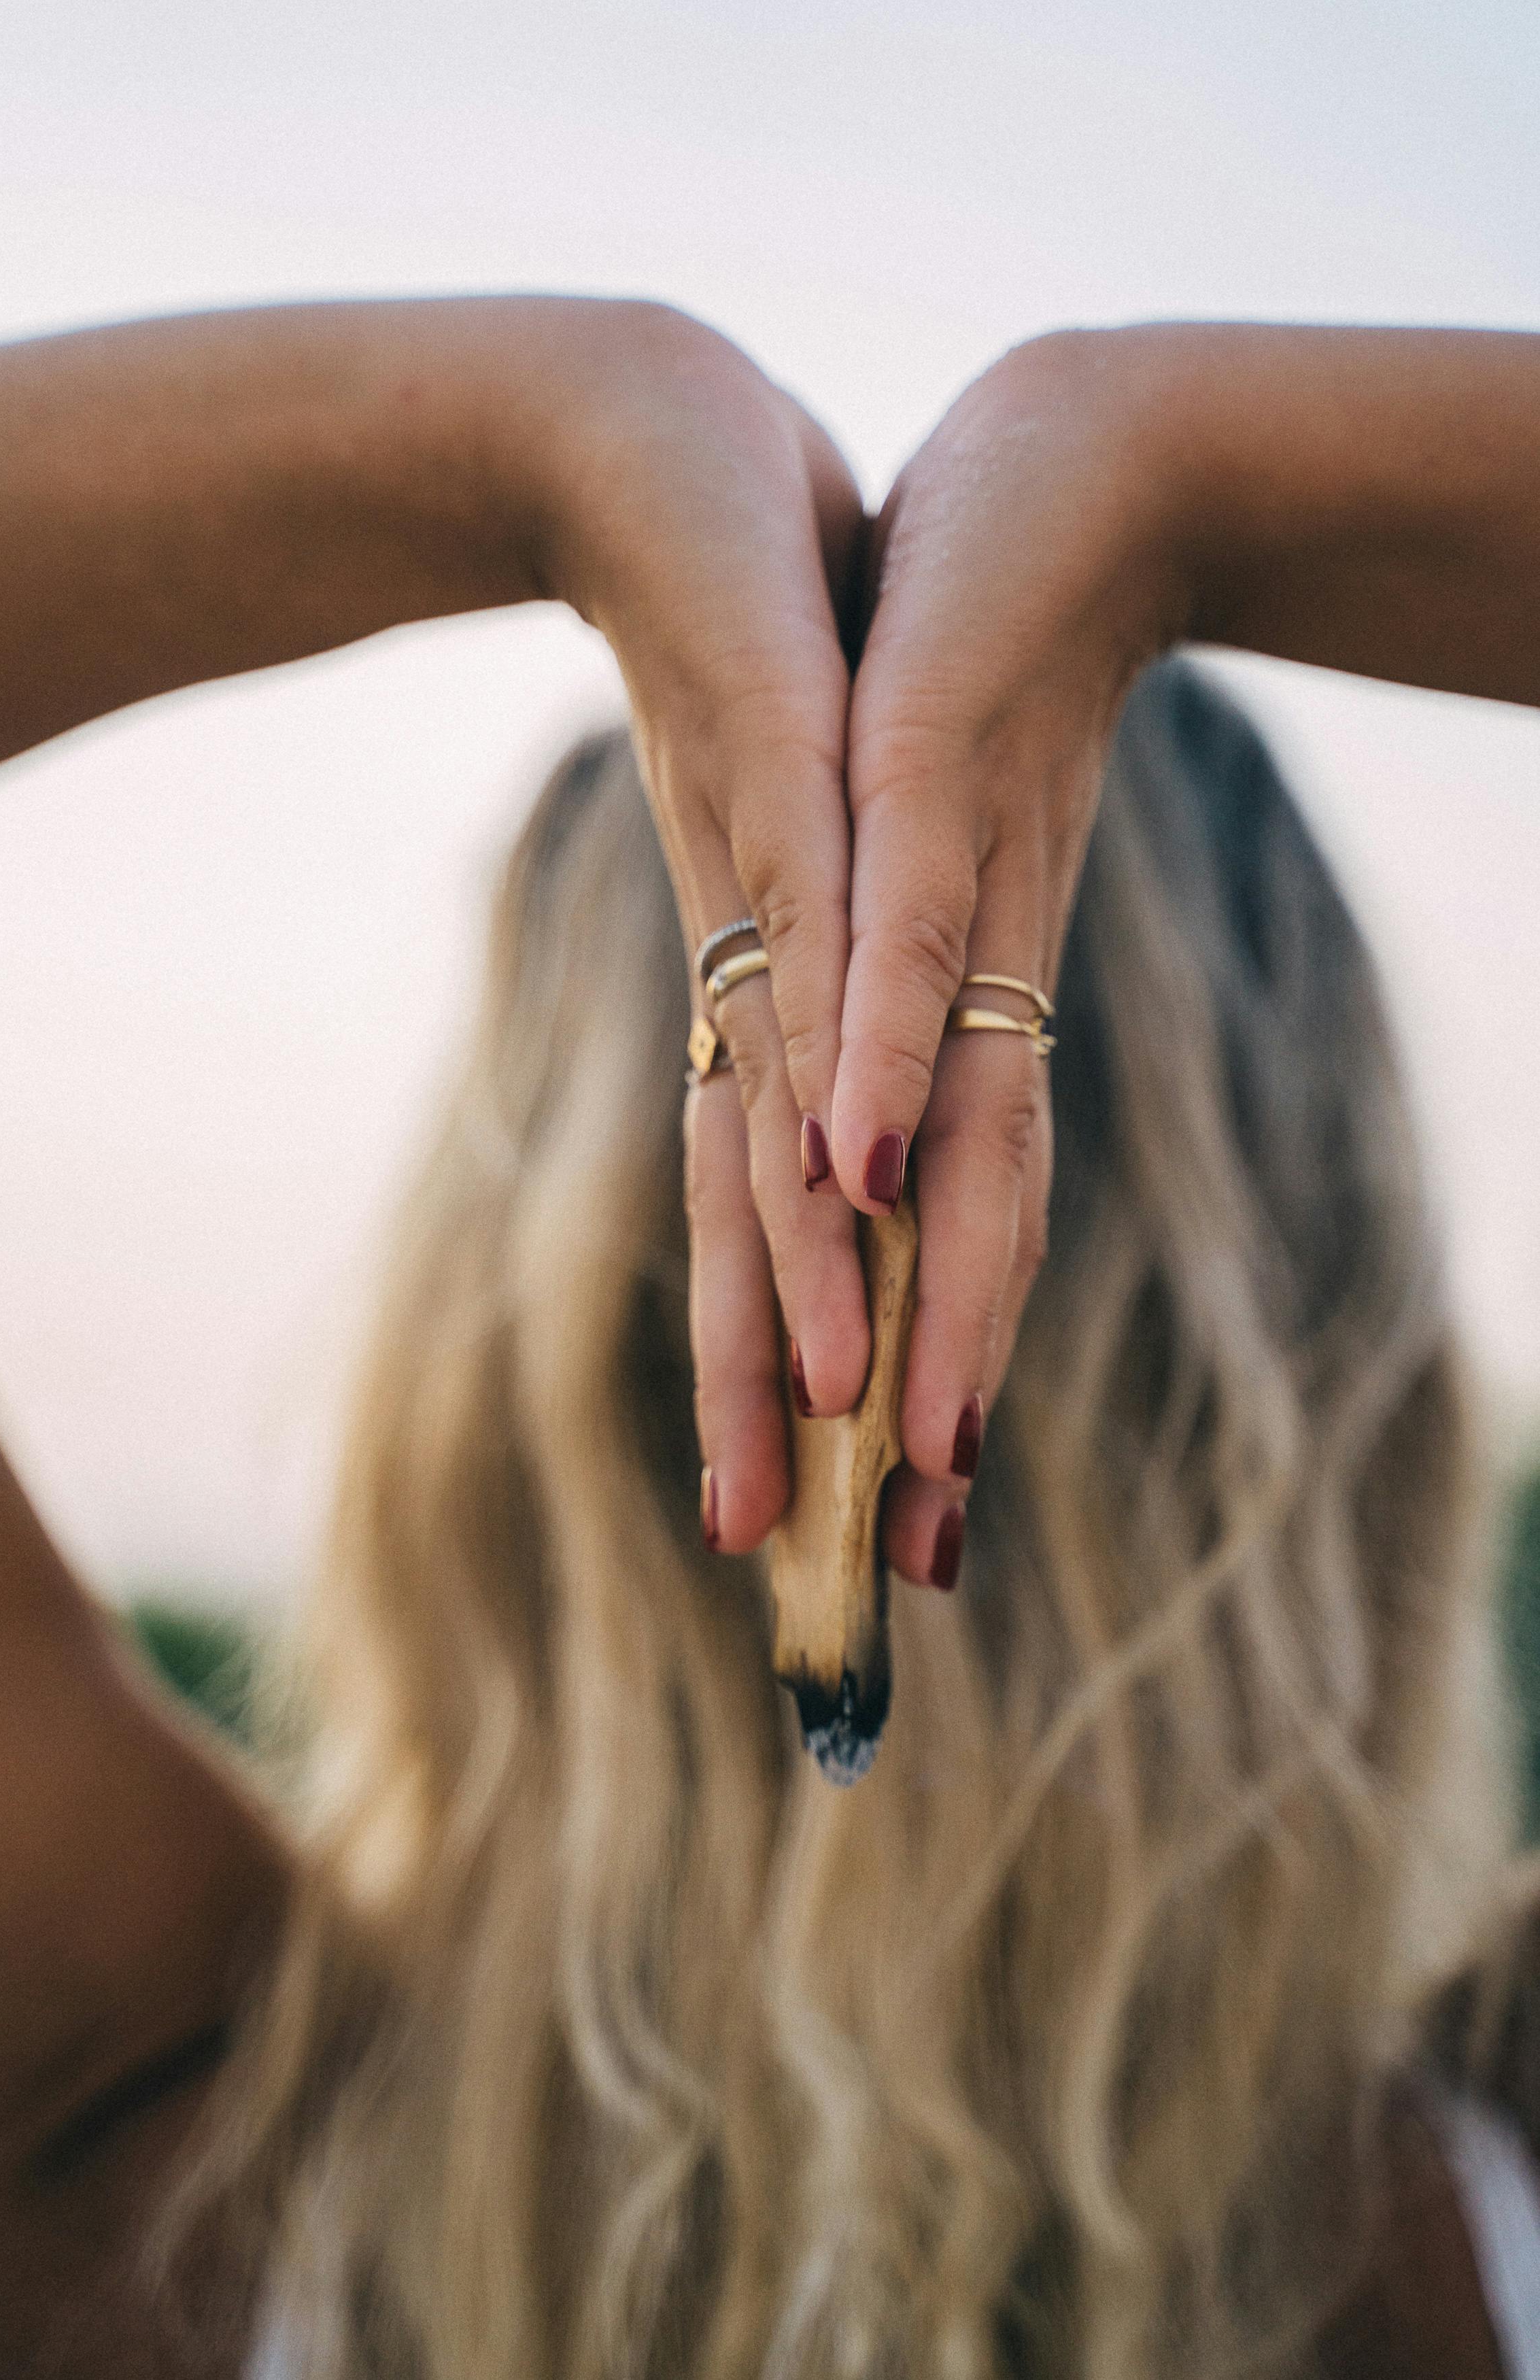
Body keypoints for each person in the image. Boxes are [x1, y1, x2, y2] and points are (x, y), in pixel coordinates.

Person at [157, 663, 1522, 2379]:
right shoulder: (1481, 2164)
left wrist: (595, 519)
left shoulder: (145, 2114)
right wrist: (1134, 532)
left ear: (534, 1304)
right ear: (1335, 1327)